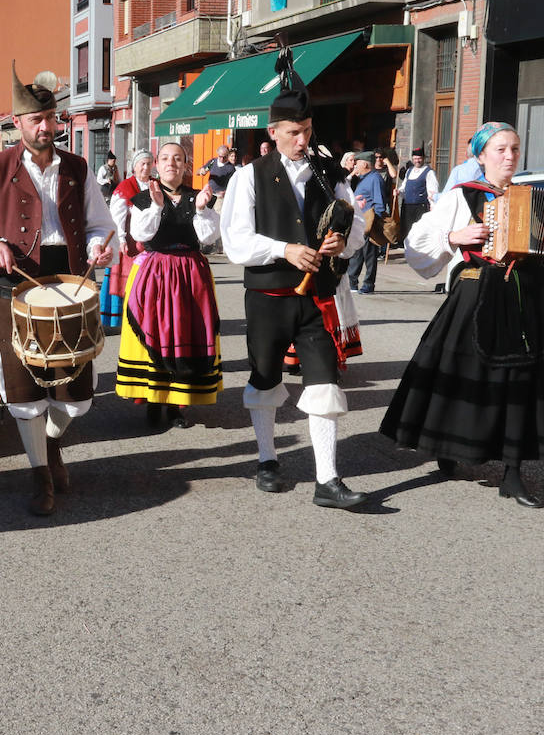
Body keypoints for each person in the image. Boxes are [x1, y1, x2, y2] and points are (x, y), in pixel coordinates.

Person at [380, 121, 544, 509]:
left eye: (515, 149)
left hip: (532, 298)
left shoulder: (534, 198)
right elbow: (417, 244)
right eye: (500, 149)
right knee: (466, 380)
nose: (509, 156)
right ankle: (450, 443)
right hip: (478, 296)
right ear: (480, 156)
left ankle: (512, 472)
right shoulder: (463, 196)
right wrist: (452, 237)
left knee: (522, 384)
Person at [0, 64, 116, 516]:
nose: (46, 128)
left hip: (72, 281)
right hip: (16, 282)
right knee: (26, 391)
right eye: (35, 121)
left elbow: (102, 225)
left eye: (51, 120)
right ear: (18, 124)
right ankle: (40, 474)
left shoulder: (79, 168)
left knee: (77, 397)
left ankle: (51, 444)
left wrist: (104, 247)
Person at [218, 53, 369, 511]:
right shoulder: (249, 177)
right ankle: (267, 460)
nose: (302, 139)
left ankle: (328, 479)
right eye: (293, 132)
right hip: (268, 297)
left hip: (317, 298)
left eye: (306, 131)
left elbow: (355, 227)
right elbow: (235, 240)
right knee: (264, 380)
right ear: (273, 133)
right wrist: (284, 249)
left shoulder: (329, 176)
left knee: (324, 384)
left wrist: (339, 243)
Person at [114, 141, 222, 428]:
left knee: (184, 335)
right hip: (156, 271)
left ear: (187, 166)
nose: (171, 163)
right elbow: (140, 232)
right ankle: (153, 399)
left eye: (177, 159)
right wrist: (157, 207)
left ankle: (176, 405)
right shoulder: (143, 197)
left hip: (190, 274)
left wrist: (200, 210)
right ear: (156, 165)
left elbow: (209, 238)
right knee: (156, 333)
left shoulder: (199, 197)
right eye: (165, 158)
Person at [102, 149, 153, 329]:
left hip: (152, 242)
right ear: (134, 167)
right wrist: (121, 240)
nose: (146, 168)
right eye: (142, 164)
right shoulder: (126, 187)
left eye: (149, 164)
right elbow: (117, 217)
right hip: (132, 242)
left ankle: (147, 318)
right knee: (129, 284)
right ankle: (129, 319)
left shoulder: (156, 185)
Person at [346, 152, 386, 294]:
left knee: (369, 256)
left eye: (358, 162)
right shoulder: (363, 179)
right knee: (357, 253)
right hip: (359, 222)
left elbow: (379, 202)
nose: (355, 165)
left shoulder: (375, 178)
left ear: (365, 164)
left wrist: (376, 224)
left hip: (369, 222)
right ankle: (352, 283)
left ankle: (368, 285)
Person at [399, 145, 439, 238]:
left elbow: (433, 191)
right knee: (407, 231)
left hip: (421, 207)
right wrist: (398, 191)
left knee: (419, 232)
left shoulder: (429, 172)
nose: (417, 161)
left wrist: (433, 206)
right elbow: (404, 187)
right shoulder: (409, 171)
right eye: (415, 158)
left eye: (419, 158)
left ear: (423, 158)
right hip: (407, 207)